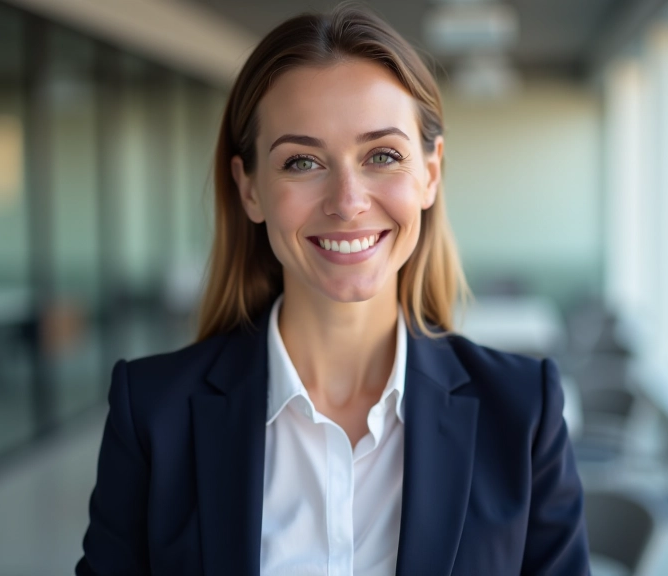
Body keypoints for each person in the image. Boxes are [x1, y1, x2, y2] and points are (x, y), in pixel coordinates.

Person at [76, 4, 588, 575]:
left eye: (383, 156)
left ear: (430, 172)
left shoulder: (522, 414)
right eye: (301, 161)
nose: (347, 201)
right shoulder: (152, 413)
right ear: (249, 189)